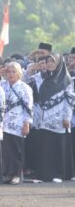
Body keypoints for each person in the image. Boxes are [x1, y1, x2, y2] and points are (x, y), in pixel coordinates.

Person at [36, 53, 75, 182]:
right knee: (47, 146)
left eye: (53, 61)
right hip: (45, 120)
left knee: (59, 146)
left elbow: (69, 101)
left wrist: (67, 118)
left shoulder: (66, 80)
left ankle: (60, 173)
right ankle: (47, 173)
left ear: (59, 63)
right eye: (48, 62)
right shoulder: (44, 79)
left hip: (59, 120)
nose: (50, 64)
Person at [1, 62, 33, 184]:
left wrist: (27, 123)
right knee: (6, 150)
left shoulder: (25, 88)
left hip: (18, 123)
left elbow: (29, 108)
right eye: (8, 71)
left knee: (17, 149)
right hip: (4, 123)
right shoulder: (2, 86)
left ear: (19, 73)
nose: (10, 74)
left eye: (13, 72)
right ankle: (7, 173)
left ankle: (17, 174)